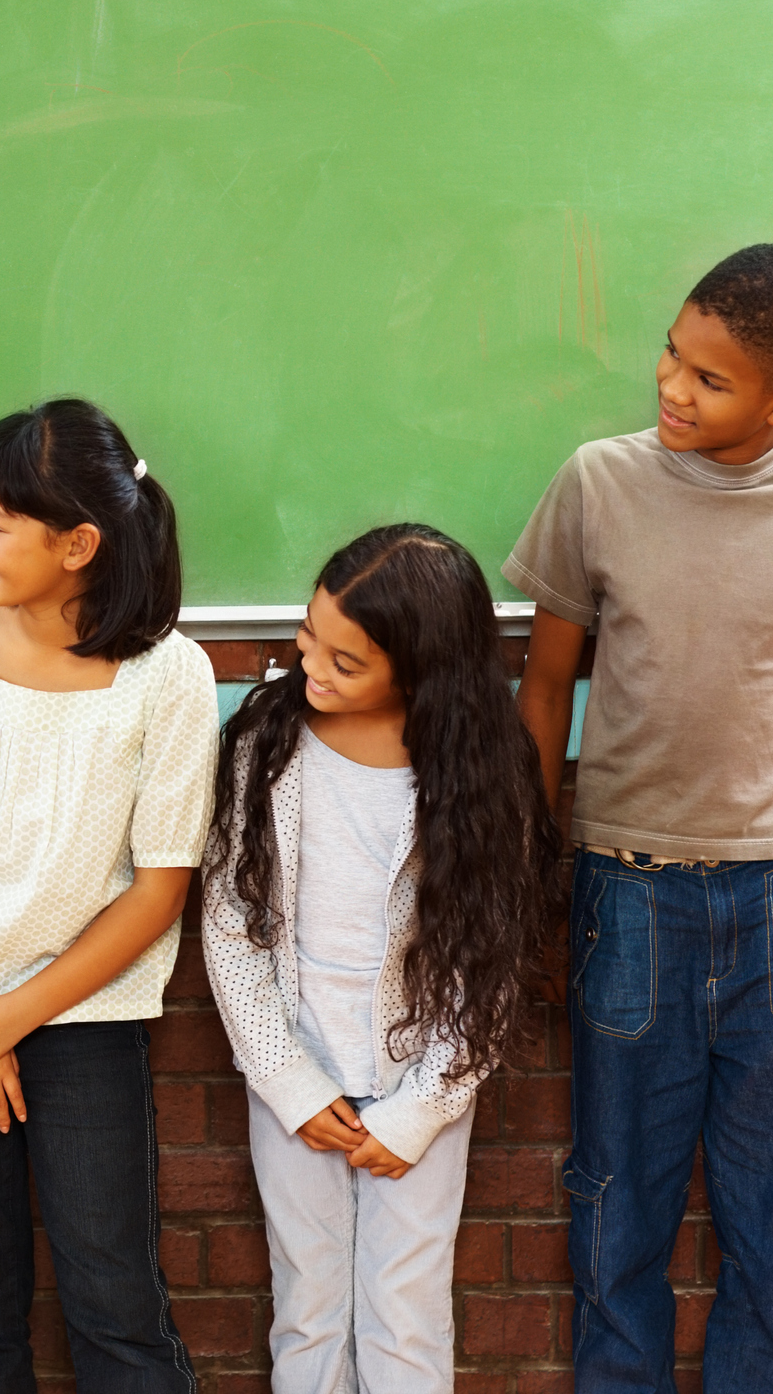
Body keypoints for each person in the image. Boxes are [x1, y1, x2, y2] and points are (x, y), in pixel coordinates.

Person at [508, 244, 773, 1392]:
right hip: (625, 890)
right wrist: (538, 873)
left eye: (710, 379)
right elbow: (544, 688)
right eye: (672, 355)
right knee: (616, 1196)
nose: (673, 387)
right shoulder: (599, 481)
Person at [0, 398, 216, 1392]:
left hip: (85, 1013)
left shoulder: (169, 675)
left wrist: (11, 1019)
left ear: (77, 543)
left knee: (112, 1297)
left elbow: (158, 893)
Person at [203, 525, 558, 1393]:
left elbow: (489, 966)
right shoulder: (267, 747)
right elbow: (228, 923)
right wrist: (288, 1079)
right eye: (306, 643)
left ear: (421, 668)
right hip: (296, 1083)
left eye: (345, 662)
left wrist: (420, 1108)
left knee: (404, 1319)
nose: (312, 670)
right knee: (308, 1312)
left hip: (419, 1093)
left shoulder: (478, 776)